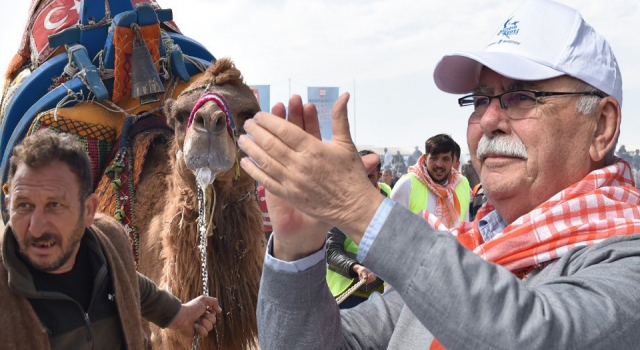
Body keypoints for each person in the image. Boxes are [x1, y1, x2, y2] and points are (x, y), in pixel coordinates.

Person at [238, 0, 640, 349]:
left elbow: (531, 336)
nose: (490, 120)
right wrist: (297, 249)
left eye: (522, 96)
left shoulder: (625, 261)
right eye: (481, 99)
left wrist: (359, 209)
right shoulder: (474, 249)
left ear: (601, 126)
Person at [0, 130, 221, 349]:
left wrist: (179, 315)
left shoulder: (109, 240)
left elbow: (128, 281)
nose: (36, 228)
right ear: (8, 204)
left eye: (54, 206)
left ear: (88, 210)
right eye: (24, 206)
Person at [326, 150, 387, 309]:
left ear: (379, 177)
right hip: (344, 294)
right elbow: (331, 250)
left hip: (379, 296)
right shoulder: (338, 203)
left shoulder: (389, 198)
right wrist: (357, 268)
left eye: (370, 176)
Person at [391, 134, 471, 228]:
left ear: (453, 160)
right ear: (425, 158)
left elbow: (465, 228)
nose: (439, 164)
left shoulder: (462, 183)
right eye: (434, 158)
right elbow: (392, 231)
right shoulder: (407, 185)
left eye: (445, 159)